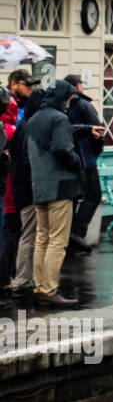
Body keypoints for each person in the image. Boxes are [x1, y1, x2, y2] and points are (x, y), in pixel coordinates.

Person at [25, 80, 85, 307]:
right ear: (63, 97)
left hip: (39, 185)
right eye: (69, 98)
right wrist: (77, 162)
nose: (70, 103)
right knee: (57, 241)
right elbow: (62, 149)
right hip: (60, 185)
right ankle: (49, 289)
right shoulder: (60, 118)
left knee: (42, 238)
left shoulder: (34, 119)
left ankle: (40, 285)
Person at [1, 85, 41, 298]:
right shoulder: (11, 130)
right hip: (10, 191)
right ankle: (6, 277)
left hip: (9, 189)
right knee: (13, 234)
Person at [65, 74, 105, 252]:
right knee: (93, 195)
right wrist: (96, 152)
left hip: (68, 158)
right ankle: (77, 233)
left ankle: (68, 234)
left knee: (72, 198)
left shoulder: (62, 107)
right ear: (76, 87)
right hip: (87, 159)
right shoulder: (84, 105)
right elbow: (98, 130)